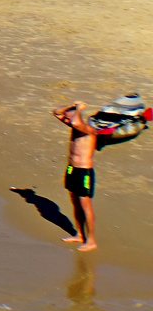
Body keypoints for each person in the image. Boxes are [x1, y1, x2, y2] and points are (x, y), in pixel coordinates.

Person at [54, 101, 101, 250]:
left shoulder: (88, 129)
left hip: (83, 172)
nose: (66, 120)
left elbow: (76, 122)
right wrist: (69, 107)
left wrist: (79, 110)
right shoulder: (74, 125)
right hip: (71, 169)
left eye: (69, 117)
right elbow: (56, 112)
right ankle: (80, 234)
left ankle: (91, 240)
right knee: (74, 201)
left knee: (85, 205)